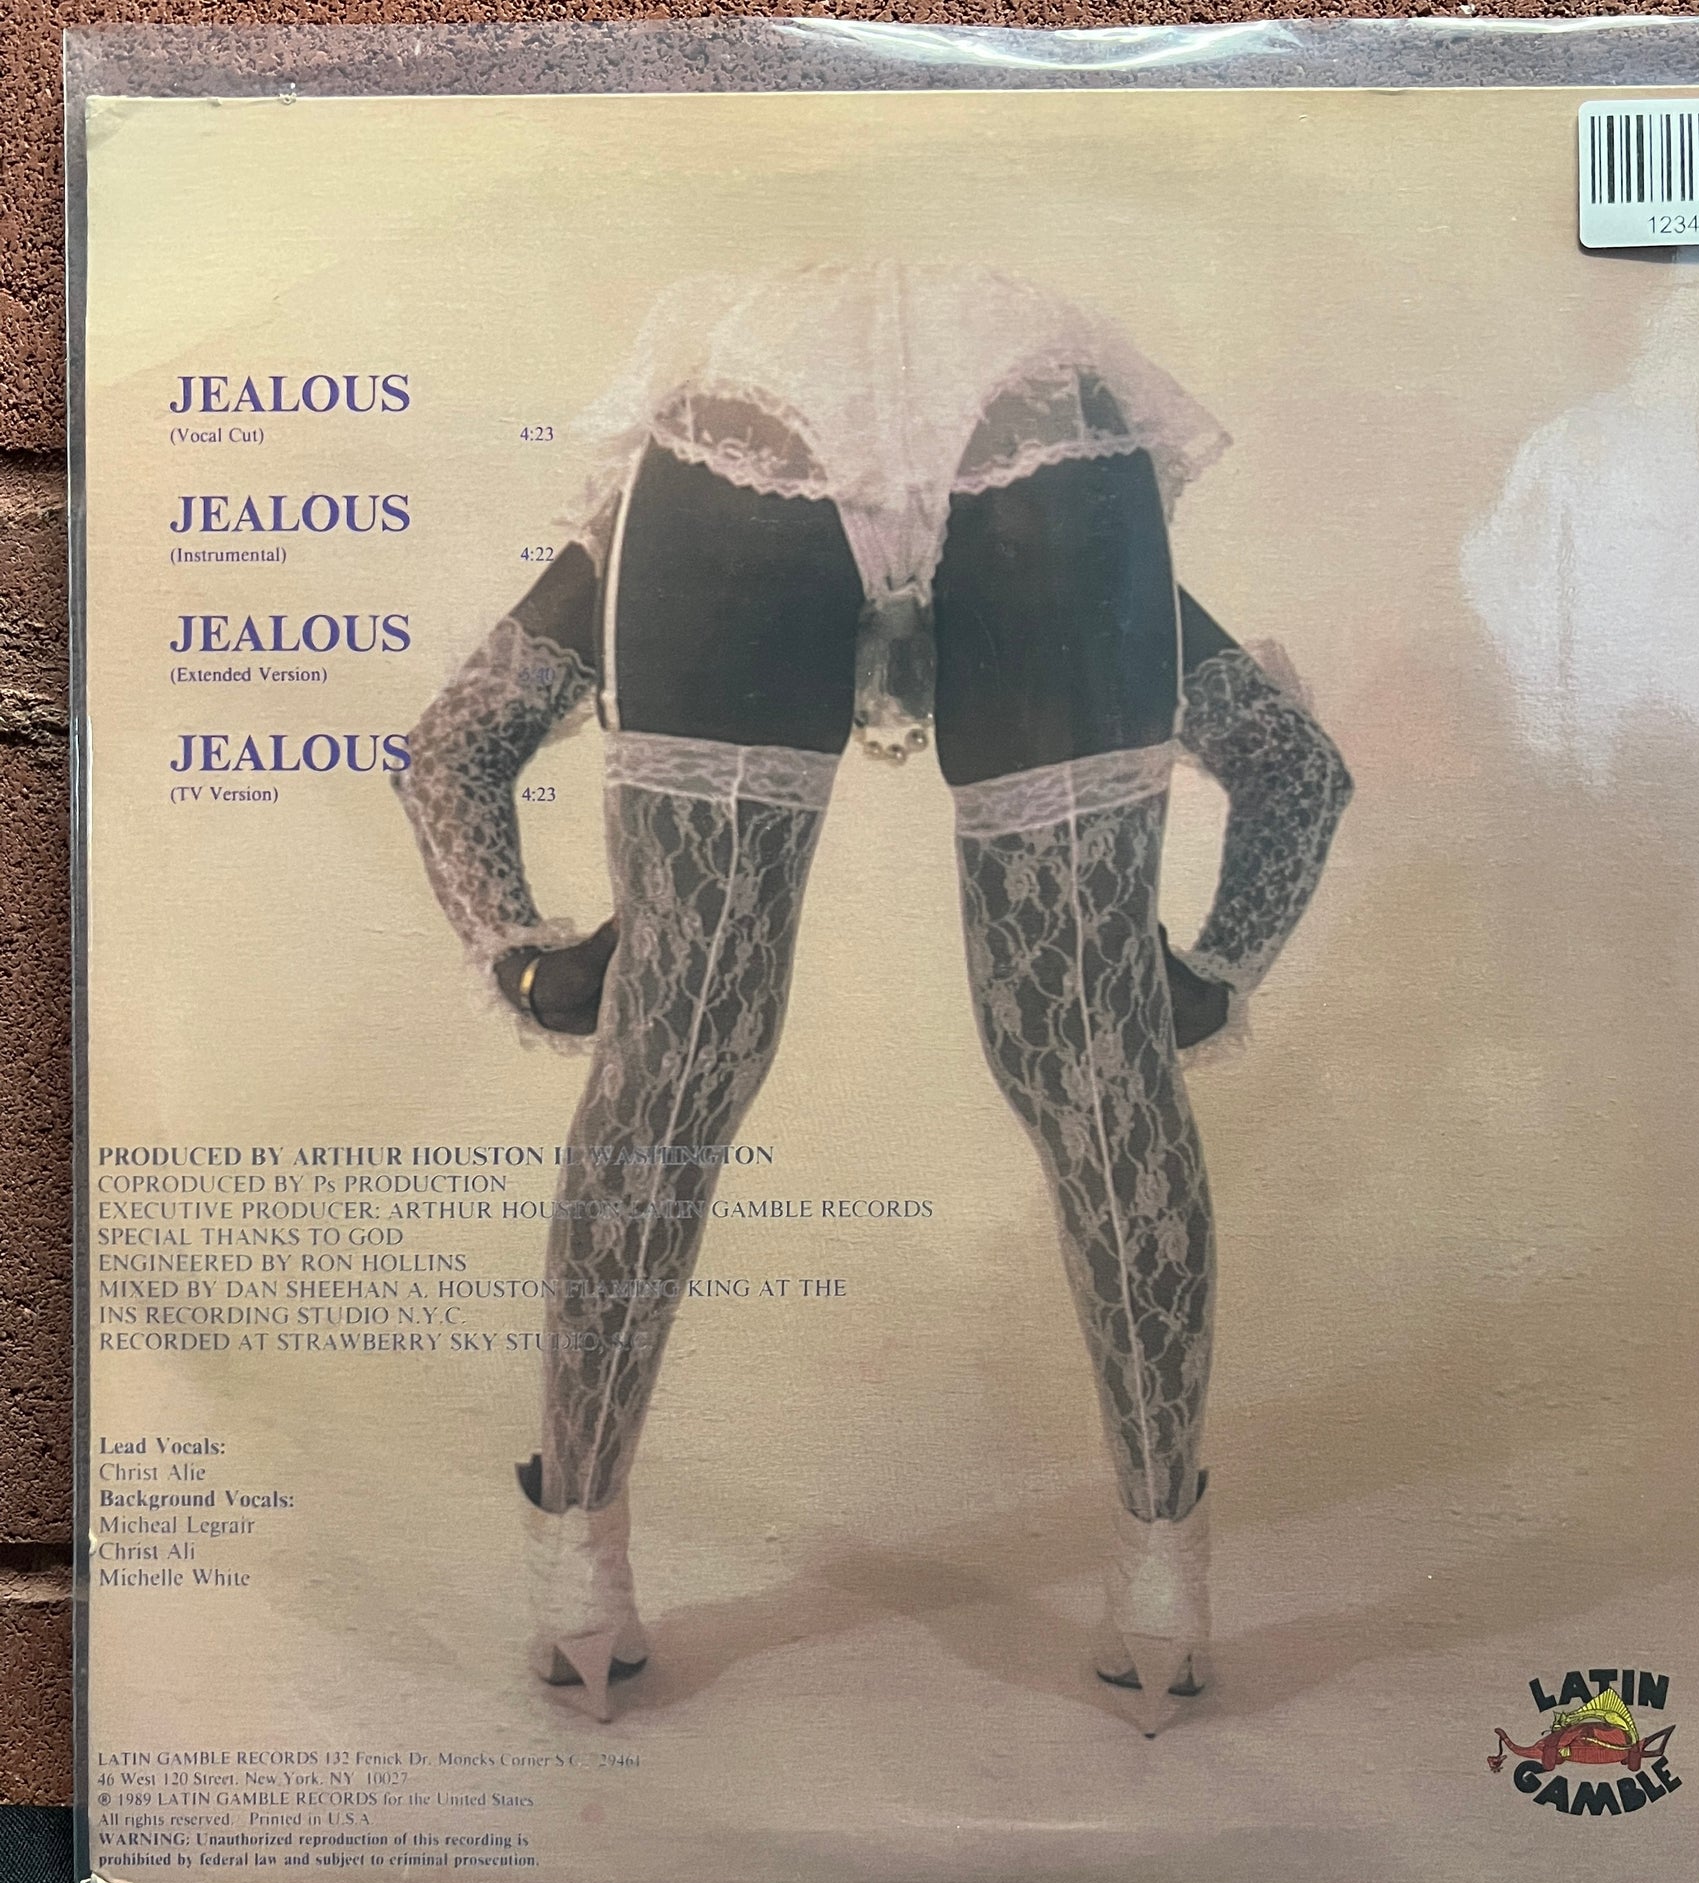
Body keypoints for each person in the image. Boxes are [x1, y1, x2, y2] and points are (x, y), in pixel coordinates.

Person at [396, 261, 1352, 1733]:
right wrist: (1209, 977)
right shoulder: (1043, 446)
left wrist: (524, 956)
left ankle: (578, 1578)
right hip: (1042, 459)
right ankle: (1164, 1589)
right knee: (1102, 1068)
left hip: (744, 455)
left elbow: (454, 743)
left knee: (671, 1058)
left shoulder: (656, 506)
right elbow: (1295, 768)